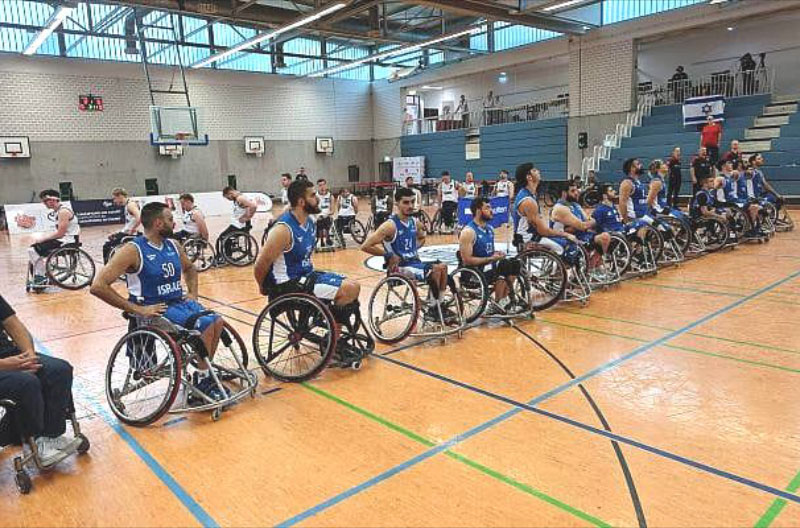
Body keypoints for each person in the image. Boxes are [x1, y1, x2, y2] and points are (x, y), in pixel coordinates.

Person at [91, 202, 226, 399]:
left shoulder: (173, 245)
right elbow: (98, 286)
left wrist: (193, 294)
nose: (174, 224)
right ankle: (204, 378)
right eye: (170, 220)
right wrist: (137, 309)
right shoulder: (133, 250)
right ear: (157, 223)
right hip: (154, 310)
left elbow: (190, 269)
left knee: (217, 320)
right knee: (204, 324)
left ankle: (204, 371)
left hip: (178, 303)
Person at [255, 180, 362, 339]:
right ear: (301, 201)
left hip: (306, 276)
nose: (317, 198)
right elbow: (260, 264)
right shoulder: (283, 230)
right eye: (313, 195)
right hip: (287, 284)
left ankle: (333, 331)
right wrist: (263, 287)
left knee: (354, 285)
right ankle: (334, 338)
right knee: (347, 289)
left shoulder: (310, 222)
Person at [0, 294, 82, 466]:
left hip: (10, 355)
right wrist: (5, 366)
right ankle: (33, 443)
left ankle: (50, 436)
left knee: (59, 370)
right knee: (26, 383)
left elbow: (13, 324)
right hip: (3, 365)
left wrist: (29, 354)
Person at [361, 187, 448, 305]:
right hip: (399, 268)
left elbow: (422, 238)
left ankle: (439, 303)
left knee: (443, 266)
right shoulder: (389, 226)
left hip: (414, 263)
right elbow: (365, 246)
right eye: (406, 202)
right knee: (436, 269)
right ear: (397, 203)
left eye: (412, 202)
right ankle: (434, 308)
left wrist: (414, 246)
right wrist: (388, 255)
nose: (410, 205)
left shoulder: (414, 222)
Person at [458, 197, 520, 314]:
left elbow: (489, 253)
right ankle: (497, 303)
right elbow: (467, 260)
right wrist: (491, 258)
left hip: (488, 267)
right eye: (487, 208)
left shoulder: (490, 229)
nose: (492, 210)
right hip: (473, 273)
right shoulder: (468, 232)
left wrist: (496, 255)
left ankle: (501, 300)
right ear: (478, 211)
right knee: (504, 265)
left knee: (515, 263)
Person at [512, 163, 577, 255]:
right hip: (527, 239)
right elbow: (543, 230)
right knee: (565, 246)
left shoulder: (531, 194)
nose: (538, 171)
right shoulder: (528, 201)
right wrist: (565, 234)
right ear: (529, 177)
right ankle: (561, 269)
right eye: (534, 170)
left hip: (533, 235)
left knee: (565, 237)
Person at [27, 190, 81, 288]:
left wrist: (43, 239)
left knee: (32, 250)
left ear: (52, 200)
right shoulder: (59, 211)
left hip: (68, 241)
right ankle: (42, 274)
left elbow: (60, 233)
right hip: (64, 239)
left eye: (45, 201)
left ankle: (42, 276)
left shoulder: (63, 212)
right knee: (33, 247)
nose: (44, 204)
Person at [550, 181, 611, 255]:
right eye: (573, 191)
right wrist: (587, 224)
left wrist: (582, 225)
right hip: (567, 241)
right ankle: (601, 260)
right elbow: (583, 226)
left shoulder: (575, 205)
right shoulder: (560, 208)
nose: (576, 193)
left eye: (576, 190)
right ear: (564, 194)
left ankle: (600, 261)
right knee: (604, 237)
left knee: (606, 236)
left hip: (581, 236)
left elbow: (589, 220)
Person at [716, 160, 763, 239]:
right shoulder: (720, 179)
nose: (731, 164)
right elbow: (720, 197)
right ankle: (750, 228)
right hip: (728, 203)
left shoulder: (732, 177)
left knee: (755, 206)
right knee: (753, 207)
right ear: (723, 166)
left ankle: (751, 228)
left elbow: (746, 175)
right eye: (729, 163)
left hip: (736, 201)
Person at [102, 188, 141, 264]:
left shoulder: (130, 205)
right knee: (112, 238)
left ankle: (108, 269)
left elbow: (139, 218)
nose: (114, 201)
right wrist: (117, 233)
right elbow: (129, 224)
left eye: (114, 198)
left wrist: (133, 229)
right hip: (126, 232)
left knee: (107, 246)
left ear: (120, 196)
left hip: (130, 234)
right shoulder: (127, 205)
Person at [217, 186, 257, 258]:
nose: (229, 199)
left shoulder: (240, 198)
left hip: (239, 226)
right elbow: (247, 207)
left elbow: (253, 206)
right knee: (222, 237)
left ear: (230, 193)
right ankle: (226, 255)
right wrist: (246, 215)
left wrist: (248, 217)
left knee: (223, 237)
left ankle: (227, 256)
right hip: (237, 224)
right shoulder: (238, 197)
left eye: (228, 197)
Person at [315, 178, 335, 248]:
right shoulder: (315, 196)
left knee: (326, 220)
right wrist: (317, 215)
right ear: (318, 186)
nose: (322, 187)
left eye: (323, 185)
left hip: (327, 216)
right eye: (320, 185)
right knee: (319, 221)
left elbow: (332, 210)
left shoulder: (330, 196)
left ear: (326, 185)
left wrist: (328, 214)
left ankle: (327, 239)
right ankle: (321, 240)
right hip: (318, 216)